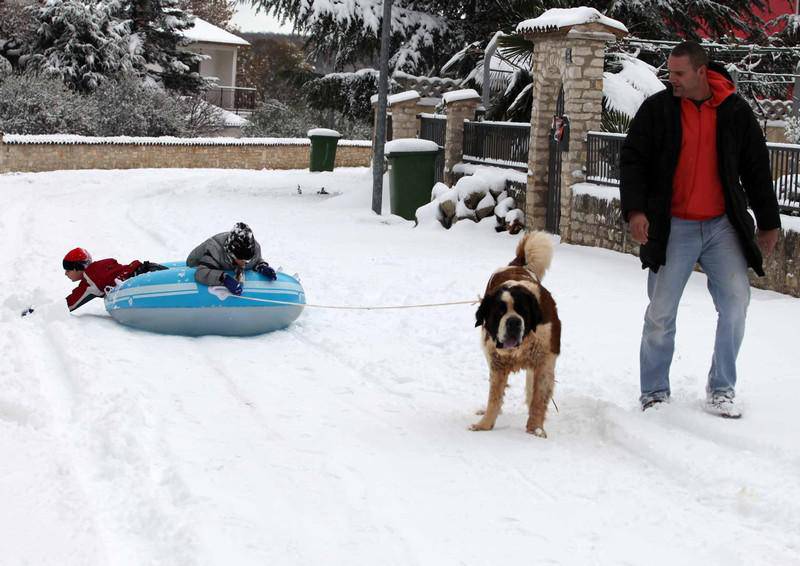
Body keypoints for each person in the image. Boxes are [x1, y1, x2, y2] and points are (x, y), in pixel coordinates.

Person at [620, 41, 781, 418]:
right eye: (669, 72)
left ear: (699, 71)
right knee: (660, 313)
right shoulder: (657, 110)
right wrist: (636, 210)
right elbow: (633, 160)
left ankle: (722, 388)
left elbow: (756, 169)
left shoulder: (734, 113)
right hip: (673, 226)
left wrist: (769, 222)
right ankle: (655, 392)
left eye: (678, 73)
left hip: (721, 226)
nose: (670, 79)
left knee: (736, 304)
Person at [186, 222, 277, 296]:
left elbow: (256, 260)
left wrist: (261, 266)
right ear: (231, 254)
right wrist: (224, 279)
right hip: (195, 262)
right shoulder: (214, 250)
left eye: (247, 260)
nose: (244, 263)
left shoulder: (254, 249)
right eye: (241, 260)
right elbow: (201, 273)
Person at [63, 247, 167, 312]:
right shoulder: (99, 267)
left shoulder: (91, 280)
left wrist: (52, 311)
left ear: (78, 267)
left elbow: (70, 304)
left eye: (68, 270)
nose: (65, 273)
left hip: (143, 278)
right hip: (147, 268)